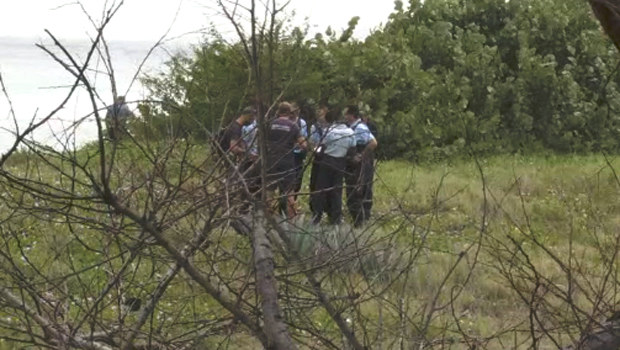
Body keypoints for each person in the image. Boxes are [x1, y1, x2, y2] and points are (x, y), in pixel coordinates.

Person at [310, 108, 356, 225]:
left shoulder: (328, 131)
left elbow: (322, 147)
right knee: (337, 191)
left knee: (321, 190)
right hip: (340, 162)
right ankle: (335, 218)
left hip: (327, 161)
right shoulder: (350, 132)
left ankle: (317, 216)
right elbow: (352, 149)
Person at [265, 102, 307, 218]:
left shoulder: (269, 124)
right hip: (287, 162)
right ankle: (291, 221)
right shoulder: (293, 126)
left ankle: (267, 219)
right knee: (289, 193)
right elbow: (303, 145)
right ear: (289, 112)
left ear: (278, 111)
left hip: (271, 161)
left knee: (269, 192)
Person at [344, 105, 378, 227]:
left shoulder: (360, 128)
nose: (344, 116)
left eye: (346, 114)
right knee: (354, 189)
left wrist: (361, 156)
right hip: (354, 164)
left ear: (352, 115)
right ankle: (357, 218)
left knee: (361, 188)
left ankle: (362, 219)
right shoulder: (351, 127)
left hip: (362, 164)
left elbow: (373, 143)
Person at [290, 102, 308, 200]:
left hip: (299, 153)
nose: (292, 114)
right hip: (288, 153)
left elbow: (304, 136)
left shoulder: (302, 123)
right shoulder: (286, 122)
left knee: (298, 176)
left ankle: (294, 198)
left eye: (294, 112)